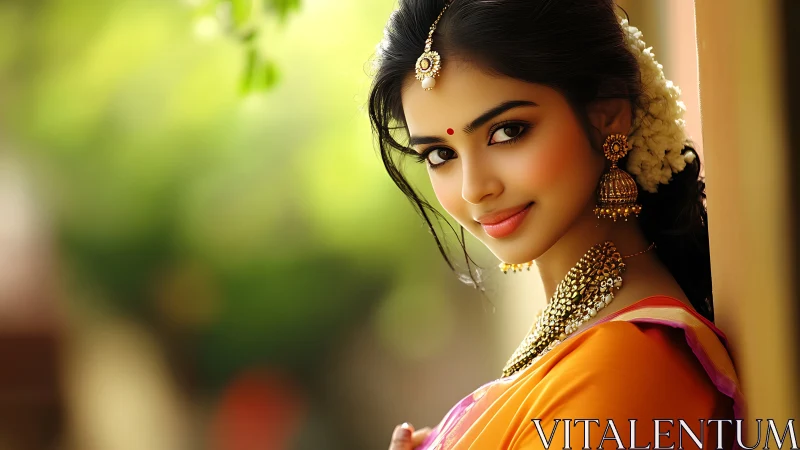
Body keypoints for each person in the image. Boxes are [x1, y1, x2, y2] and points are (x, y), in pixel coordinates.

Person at [367, 0, 745, 449]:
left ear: (608, 115)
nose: (473, 188)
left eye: (507, 132)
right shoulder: (579, 342)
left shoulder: (629, 361)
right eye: (440, 155)